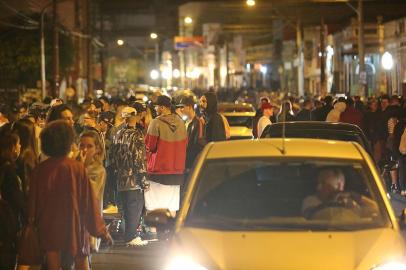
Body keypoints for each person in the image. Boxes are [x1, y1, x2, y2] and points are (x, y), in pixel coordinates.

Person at [28, 120, 112, 270]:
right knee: (81, 263)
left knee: (53, 265)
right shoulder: (76, 168)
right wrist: (101, 231)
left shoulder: (39, 170)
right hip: (74, 226)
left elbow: (32, 203)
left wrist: (32, 225)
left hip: (48, 225)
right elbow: (88, 202)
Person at [110, 106, 149, 246]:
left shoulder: (117, 133)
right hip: (133, 178)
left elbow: (112, 157)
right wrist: (144, 179)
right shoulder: (136, 134)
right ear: (134, 116)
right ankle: (131, 236)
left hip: (120, 177)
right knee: (135, 207)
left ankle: (128, 235)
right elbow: (139, 159)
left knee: (125, 207)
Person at [145, 95, 187, 217]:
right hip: (176, 171)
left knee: (153, 205)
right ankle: (169, 232)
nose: (156, 109)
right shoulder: (181, 123)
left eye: (157, 106)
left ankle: (154, 233)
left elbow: (150, 146)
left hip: (158, 172)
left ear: (162, 107)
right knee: (172, 205)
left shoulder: (155, 123)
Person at [302, 168, 377, 219]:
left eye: (324, 183)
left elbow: (378, 209)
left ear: (339, 185)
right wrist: (332, 202)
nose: (318, 187)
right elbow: (311, 217)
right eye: (318, 183)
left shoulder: (351, 203)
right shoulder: (311, 201)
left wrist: (355, 196)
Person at [78, 131, 106, 252]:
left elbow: (89, 196)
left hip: (87, 223)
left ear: (97, 149)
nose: (84, 149)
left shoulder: (98, 171)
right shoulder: (75, 166)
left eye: (89, 146)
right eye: (81, 145)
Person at [0, 133, 24, 270]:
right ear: (12, 148)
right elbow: (17, 199)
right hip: (8, 224)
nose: (20, 146)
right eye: (18, 144)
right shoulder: (9, 170)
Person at [179, 96, 205, 171]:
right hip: (184, 164)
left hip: (192, 165)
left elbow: (198, 144)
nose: (180, 110)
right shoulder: (184, 122)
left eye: (182, 107)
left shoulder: (198, 122)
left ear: (190, 107)